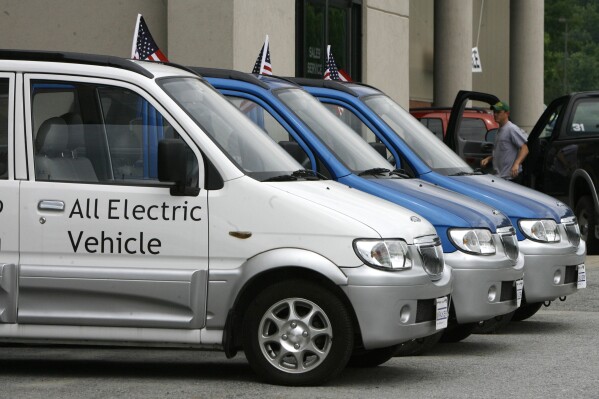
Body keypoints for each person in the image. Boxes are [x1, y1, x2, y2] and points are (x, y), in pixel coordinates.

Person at [481, 101, 529, 182]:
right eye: (494, 112)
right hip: (500, 177)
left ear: (507, 113)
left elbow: (525, 149)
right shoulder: (499, 130)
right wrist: (489, 158)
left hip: (511, 178)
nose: (495, 114)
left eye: (498, 112)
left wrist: (516, 164)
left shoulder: (511, 129)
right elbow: (503, 150)